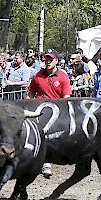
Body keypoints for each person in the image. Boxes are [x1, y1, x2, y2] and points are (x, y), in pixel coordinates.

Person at [28, 49, 71, 178]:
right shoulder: (38, 75)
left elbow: (66, 97)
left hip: (57, 112)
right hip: (39, 112)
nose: (47, 62)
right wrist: (29, 104)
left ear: (56, 61)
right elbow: (30, 92)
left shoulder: (63, 76)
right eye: (46, 59)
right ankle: (42, 162)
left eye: (50, 59)